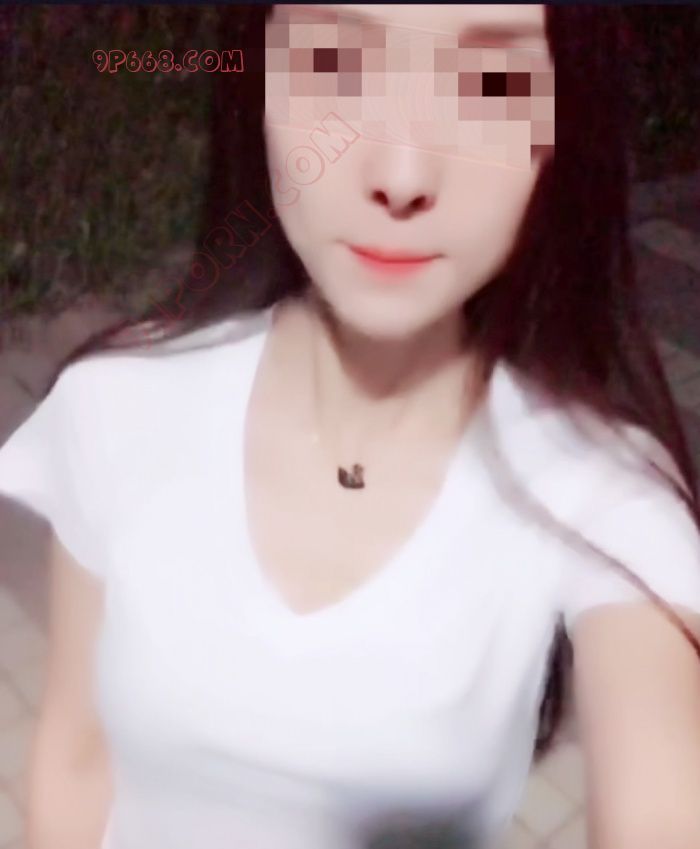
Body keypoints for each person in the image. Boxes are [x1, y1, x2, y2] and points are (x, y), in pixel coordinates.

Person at [2, 4, 700, 849]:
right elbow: (76, 761)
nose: (401, 173)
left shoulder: (602, 498)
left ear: (561, 126)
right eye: (336, 67)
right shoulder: (119, 404)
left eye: (490, 84)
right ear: (260, 85)